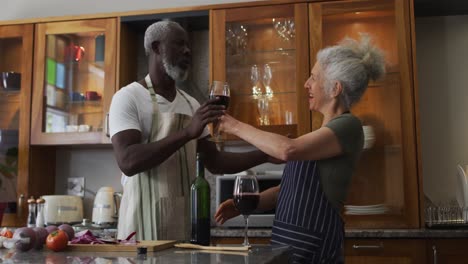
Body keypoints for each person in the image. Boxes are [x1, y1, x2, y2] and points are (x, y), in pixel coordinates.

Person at [215, 34, 385, 263]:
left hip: (314, 251)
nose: (307, 84)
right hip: (289, 249)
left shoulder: (348, 125)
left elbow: (287, 150)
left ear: (335, 89)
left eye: (314, 77)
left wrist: (232, 125)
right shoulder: (321, 134)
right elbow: (287, 191)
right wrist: (246, 203)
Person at [109, 20, 275, 241]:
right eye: (179, 44)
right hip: (139, 227)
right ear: (157, 48)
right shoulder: (128, 97)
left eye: (188, 46)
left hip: (182, 224)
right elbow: (128, 162)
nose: (187, 51)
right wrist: (188, 132)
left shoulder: (191, 104)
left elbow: (215, 163)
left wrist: (266, 154)